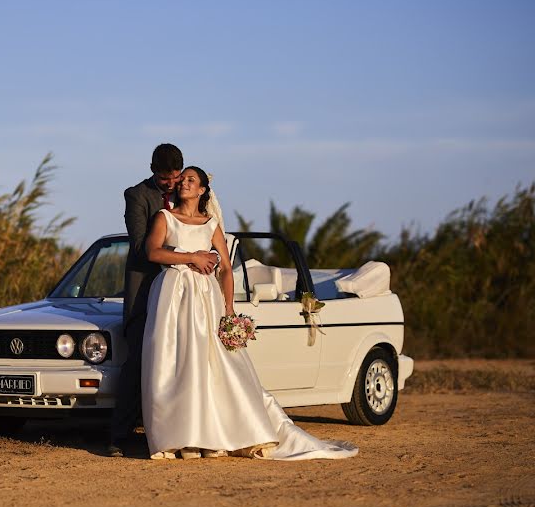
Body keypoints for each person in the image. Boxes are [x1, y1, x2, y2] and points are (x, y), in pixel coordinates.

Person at [140, 166, 358, 460]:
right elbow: (153, 252)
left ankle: (214, 435)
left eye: (191, 180)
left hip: (206, 298)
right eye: (183, 179)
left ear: (203, 190)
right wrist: (191, 257)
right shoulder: (165, 218)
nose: (184, 184)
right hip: (174, 292)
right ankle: (180, 437)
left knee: (211, 364)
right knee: (178, 362)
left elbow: (227, 268)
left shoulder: (211, 223)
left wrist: (229, 309)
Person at [108, 145, 218, 457]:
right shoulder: (137, 195)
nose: (172, 184)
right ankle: (119, 435)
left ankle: (185, 431)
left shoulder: (192, 197)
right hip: (147, 289)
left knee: (188, 362)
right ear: (153, 170)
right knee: (140, 360)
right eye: (165, 178)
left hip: (191, 298)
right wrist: (189, 258)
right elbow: (143, 248)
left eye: (176, 178)